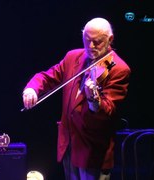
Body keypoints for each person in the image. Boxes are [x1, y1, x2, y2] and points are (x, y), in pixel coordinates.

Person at [22, 17, 131, 180]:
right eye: (87, 40)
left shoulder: (119, 69)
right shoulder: (73, 57)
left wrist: (94, 101)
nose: (91, 46)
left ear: (110, 40)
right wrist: (32, 88)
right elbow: (49, 76)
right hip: (69, 145)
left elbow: (108, 111)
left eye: (97, 42)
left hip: (93, 151)